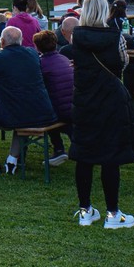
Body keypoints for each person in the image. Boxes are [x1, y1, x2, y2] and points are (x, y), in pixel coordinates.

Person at [68, 0, 134, 229]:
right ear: (105, 11)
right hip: (110, 99)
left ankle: (85, 209)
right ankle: (113, 213)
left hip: (84, 99)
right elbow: (123, 63)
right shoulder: (116, 37)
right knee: (110, 156)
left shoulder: (75, 37)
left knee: (84, 155)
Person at [0, 25, 55, 175]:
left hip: (16, 111)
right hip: (41, 111)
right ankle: (12, 161)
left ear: (3, 42)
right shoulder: (32, 53)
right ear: (21, 41)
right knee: (22, 116)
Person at [35, 30, 75, 166]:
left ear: (38, 47)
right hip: (74, 107)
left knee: (47, 112)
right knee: (66, 117)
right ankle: (78, 145)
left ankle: (58, 148)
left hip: (58, 111)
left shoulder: (41, 64)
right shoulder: (64, 59)